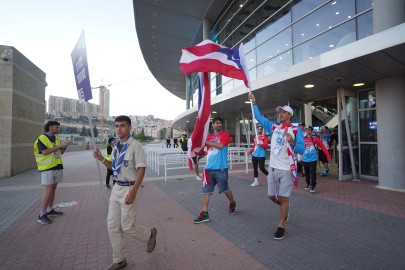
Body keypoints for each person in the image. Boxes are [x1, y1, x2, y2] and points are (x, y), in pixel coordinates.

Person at [93, 115, 157, 270]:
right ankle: (119, 259)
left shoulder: (135, 145)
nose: (119, 129)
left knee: (127, 226)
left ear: (129, 128)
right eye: (116, 126)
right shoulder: (116, 147)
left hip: (129, 187)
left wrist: (134, 190)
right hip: (116, 188)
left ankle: (149, 234)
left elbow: (141, 169)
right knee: (112, 226)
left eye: (122, 125)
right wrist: (101, 158)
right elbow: (114, 168)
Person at [248, 93, 304, 240]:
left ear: (290, 115)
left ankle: (281, 225)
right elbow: (259, 118)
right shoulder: (274, 127)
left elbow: (302, 150)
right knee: (271, 196)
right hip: (272, 168)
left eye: (284, 112)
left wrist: (292, 142)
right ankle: (285, 209)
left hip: (287, 169)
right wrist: (254, 102)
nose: (280, 114)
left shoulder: (296, 130)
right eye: (280, 112)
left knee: (284, 199)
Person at [193, 116, 237, 224]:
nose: (219, 125)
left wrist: (206, 142)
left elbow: (220, 145)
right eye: (216, 123)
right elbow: (208, 150)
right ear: (212, 125)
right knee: (205, 192)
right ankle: (205, 213)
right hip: (208, 169)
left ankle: (232, 202)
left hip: (221, 169)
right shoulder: (208, 136)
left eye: (220, 123)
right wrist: (199, 156)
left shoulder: (225, 134)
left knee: (225, 189)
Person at [34, 120, 72, 225]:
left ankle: (50, 209)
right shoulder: (42, 138)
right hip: (47, 167)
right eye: (57, 127)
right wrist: (60, 146)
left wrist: (64, 146)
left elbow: (60, 152)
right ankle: (41, 214)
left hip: (57, 166)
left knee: (53, 189)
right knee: (48, 189)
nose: (58, 129)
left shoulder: (57, 138)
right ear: (50, 127)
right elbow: (45, 152)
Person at [302, 126, 331, 193]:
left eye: (309, 130)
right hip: (305, 159)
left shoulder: (315, 139)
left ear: (312, 131)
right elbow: (299, 147)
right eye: (306, 130)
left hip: (313, 159)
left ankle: (313, 186)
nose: (308, 131)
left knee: (313, 173)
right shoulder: (303, 139)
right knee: (307, 173)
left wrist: (328, 156)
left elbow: (323, 147)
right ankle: (308, 184)